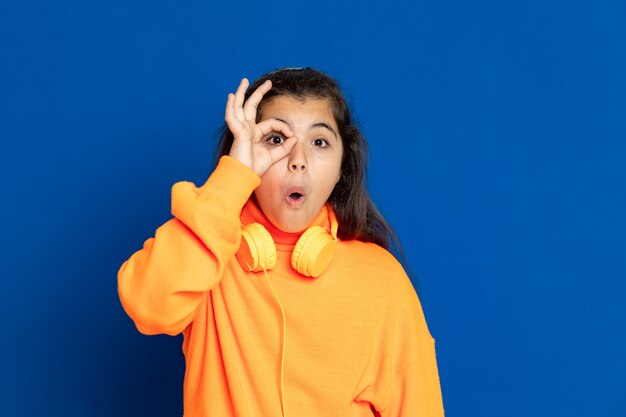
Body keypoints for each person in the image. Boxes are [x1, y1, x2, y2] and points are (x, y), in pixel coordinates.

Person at [117, 67, 445, 416]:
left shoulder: (383, 282)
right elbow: (146, 304)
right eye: (276, 139)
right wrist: (232, 179)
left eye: (319, 142)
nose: (298, 161)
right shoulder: (209, 259)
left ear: (341, 169)